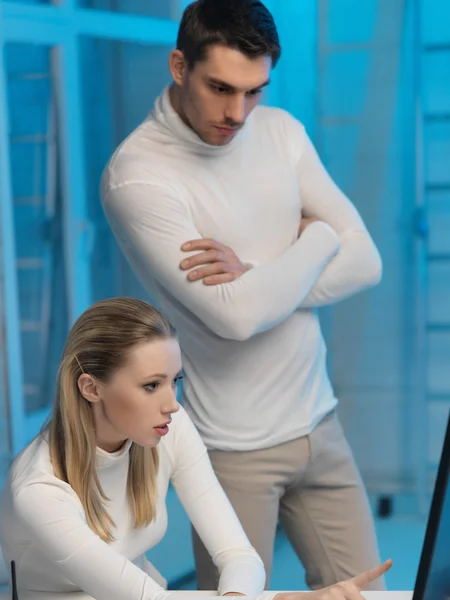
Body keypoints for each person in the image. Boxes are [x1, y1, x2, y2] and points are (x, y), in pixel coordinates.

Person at [100, 0, 384, 592]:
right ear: (179, 65)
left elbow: (368, 265)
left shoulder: (280, 132)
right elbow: (237, 317)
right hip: (231, 451)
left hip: (319, 421)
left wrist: (255, 270)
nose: (237, 113)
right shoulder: (138, 175)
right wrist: (323, 237)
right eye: (221, 88)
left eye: (254, 91)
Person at [0, 297, 391, 600]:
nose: (172, 402)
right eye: (152, 385)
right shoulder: (38, 489)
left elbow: (239, 555)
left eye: (176, 380)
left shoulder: (168, 428)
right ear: (91, 388)